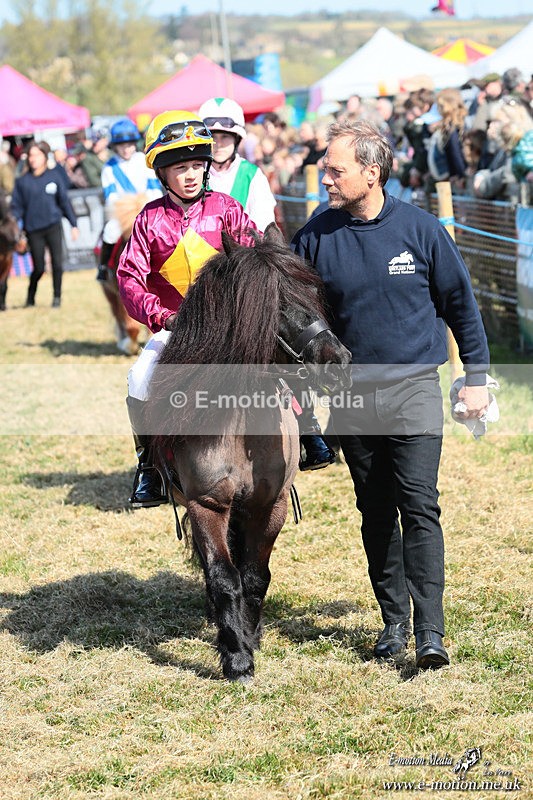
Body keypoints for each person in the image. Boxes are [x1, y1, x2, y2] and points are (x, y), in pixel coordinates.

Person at [291, 119, 490, 670]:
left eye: (337, 169)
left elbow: (461, 308)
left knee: (419, 504)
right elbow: (290, 312)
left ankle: (431, 633)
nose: (326, 179)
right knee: (375, 510)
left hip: (415, 390)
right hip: (352, 396)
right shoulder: (313, 236)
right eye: (326, 169)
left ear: (371, 172)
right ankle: (393, 623)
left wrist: (476, 378)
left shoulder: (422, 231)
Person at [117, 110, 332, 509]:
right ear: (163, 174)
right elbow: (129, 277)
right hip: (176, 328)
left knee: (282, 357)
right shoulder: (149, 220)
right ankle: (148, 465)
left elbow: (261, 259)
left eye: (197, 165)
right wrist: (162, 316)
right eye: (180, 167)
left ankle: (308, 430)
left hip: (235, 325)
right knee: (139, 377)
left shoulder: (228, 209)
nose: (190, 175)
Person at [10, 141, 79, 307]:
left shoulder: (54, 176)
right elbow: (17, 208)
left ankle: (57, 298)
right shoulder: (22, 182)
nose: (33, 159)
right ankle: (31, 296)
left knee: (57, 264)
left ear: (44, 157)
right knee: (39, 267)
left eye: (37, 155)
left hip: (53, 225)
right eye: (31, 156)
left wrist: (73, 224)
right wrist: (13, 226)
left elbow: (64, 202)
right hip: (33, 229)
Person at [98, 117, 162, 281]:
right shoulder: (109, 167)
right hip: (123, 212)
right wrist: (125, 208)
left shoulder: (145, 160)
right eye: (121, 145)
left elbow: (155, 189)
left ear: (135, 143)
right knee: (110, 232)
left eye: (129, 144)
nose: (126, 149)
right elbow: (111, 196)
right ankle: (104, 267)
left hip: (146, 207)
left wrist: (144, 204)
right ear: (115, 146)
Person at [198, 97, 277, 230]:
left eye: (225, 137)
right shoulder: (194, 172)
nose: (219, 144)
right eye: (212, 137)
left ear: (237, 140)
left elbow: (264, 226)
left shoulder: (252, 175)